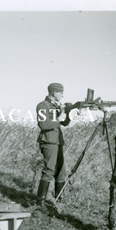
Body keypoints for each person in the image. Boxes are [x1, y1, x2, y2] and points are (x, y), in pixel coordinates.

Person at [35, 83, 71, 212]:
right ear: (54, 92)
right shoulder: (42, 106)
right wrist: (58, 118)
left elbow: (65, 123)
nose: (62, 95)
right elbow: (44, 125)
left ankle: (59, 201)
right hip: (49, 142)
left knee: (61, 171)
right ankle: (40, 202)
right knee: (49, 170)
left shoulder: (56, 106)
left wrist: (67, 112)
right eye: (61, 92)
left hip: (58, 142)